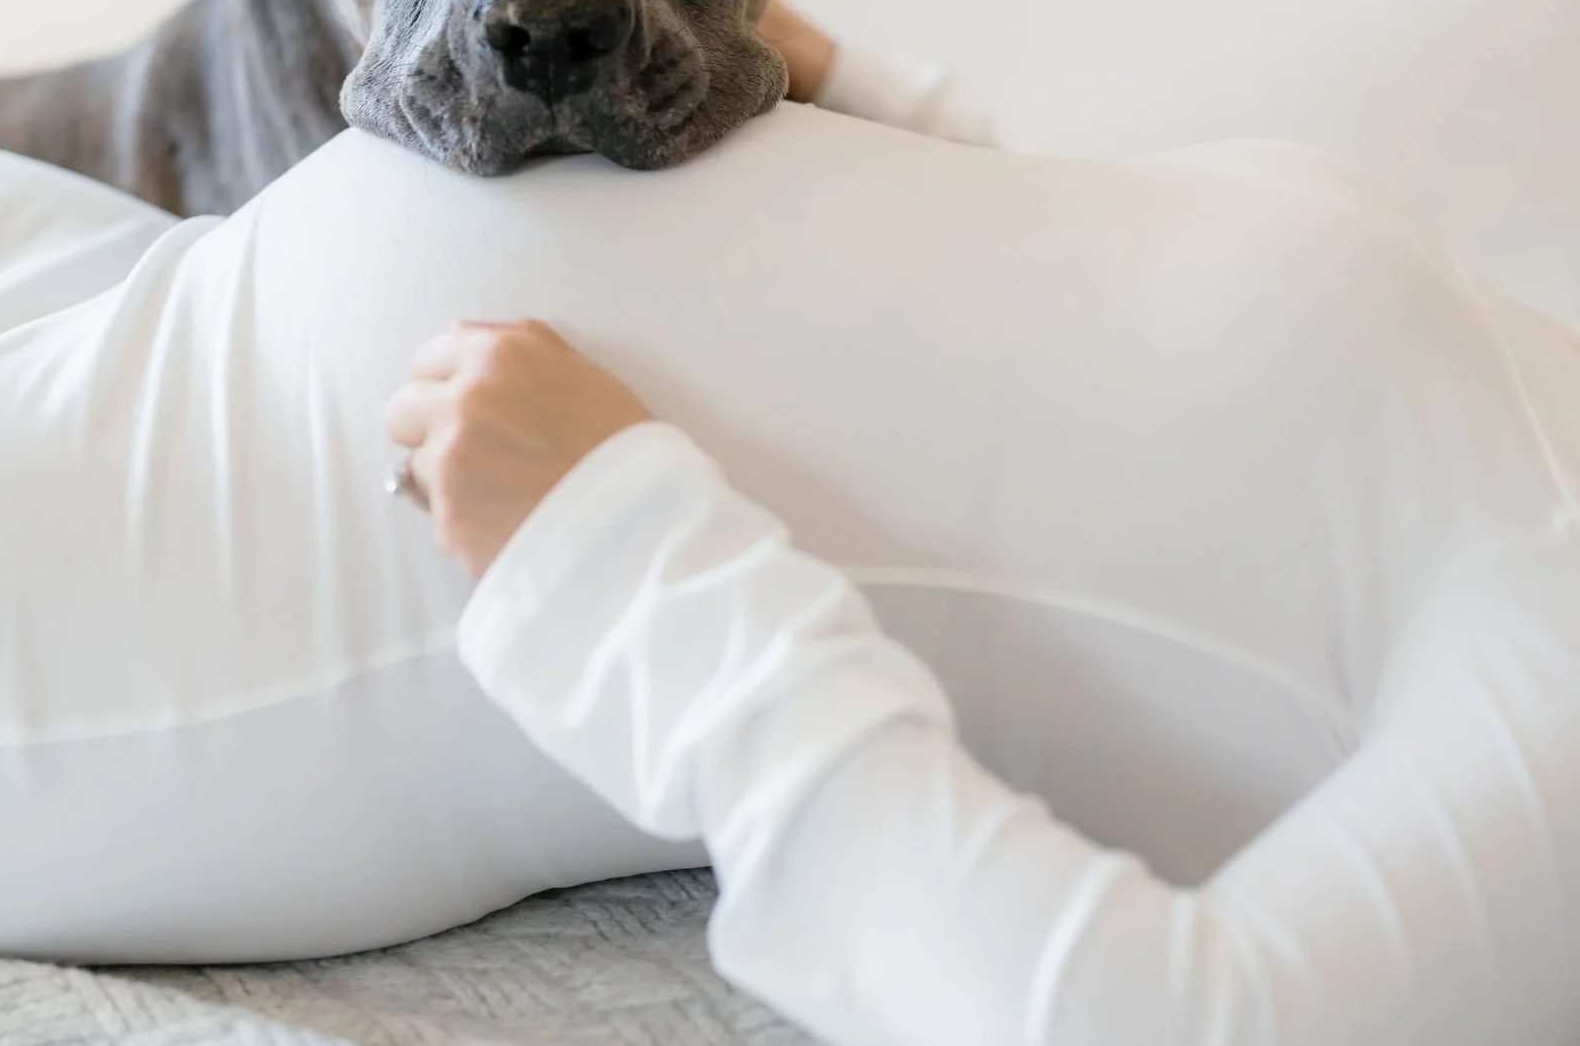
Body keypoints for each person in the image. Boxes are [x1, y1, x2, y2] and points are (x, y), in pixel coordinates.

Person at [383, 154, 1580, 1039]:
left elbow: (1169, 1021)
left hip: (309, 542)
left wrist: (620, 563)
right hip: (255, 222)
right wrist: (891, 114)